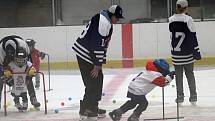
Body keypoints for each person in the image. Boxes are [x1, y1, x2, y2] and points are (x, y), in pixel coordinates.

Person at [72, 5, 124, 120]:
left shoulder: (105, 21)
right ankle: (85, 109)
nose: (118, 20)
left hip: (90, 54)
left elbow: (103, 45)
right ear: (111, 15)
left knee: (98, 79)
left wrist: (99, 63)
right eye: (117, 17)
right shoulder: (103, 22)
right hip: (85, 54)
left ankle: (93, 106)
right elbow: (96, 44)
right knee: (92, 82)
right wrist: (97, 65)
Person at [109, 59, 175, 121]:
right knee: (144, 103)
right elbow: (163, 83)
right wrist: (170, 76)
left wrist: (165, 75)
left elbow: (160, 78)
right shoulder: (155, 75)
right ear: (161, 69)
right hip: (138, 91)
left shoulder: (147, 71)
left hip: (131, 89)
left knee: (132, 103)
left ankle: (116, 112)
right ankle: (134, 117)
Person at [169, 0, 201, 106]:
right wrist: (197, 51)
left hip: (176, 54)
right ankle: (193, 98)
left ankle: (179, 99)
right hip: (187, 54)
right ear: (186, 7)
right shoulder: (189, 19)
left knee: (179, 77)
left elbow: (171, 37)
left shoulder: (171, 19)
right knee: (190, 75)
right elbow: (192, 36)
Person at [0, 35, 40, 109]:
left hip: (21, 62)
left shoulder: (23, 46)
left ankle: (33, 98)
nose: (10, 57)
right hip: (7, 66)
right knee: (2, 80)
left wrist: (30, 73)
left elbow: (30, 64)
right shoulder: (1, 53)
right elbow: (3, 69)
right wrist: (7, 76)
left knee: (28, 79)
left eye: (11, 55)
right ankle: (17, 100)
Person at [3, 47, 36, 112]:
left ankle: (25, 103)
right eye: (19, 59)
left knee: (24, 93)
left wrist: (31, 71)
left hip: (23, 82)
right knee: (16, 94)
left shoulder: (28, 64)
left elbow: (32, 68)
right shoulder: (11, 64)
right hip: (15, 82)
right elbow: (6, 70)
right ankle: (17, 102)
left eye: (22, 59)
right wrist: (7, 74)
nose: (20, 61)